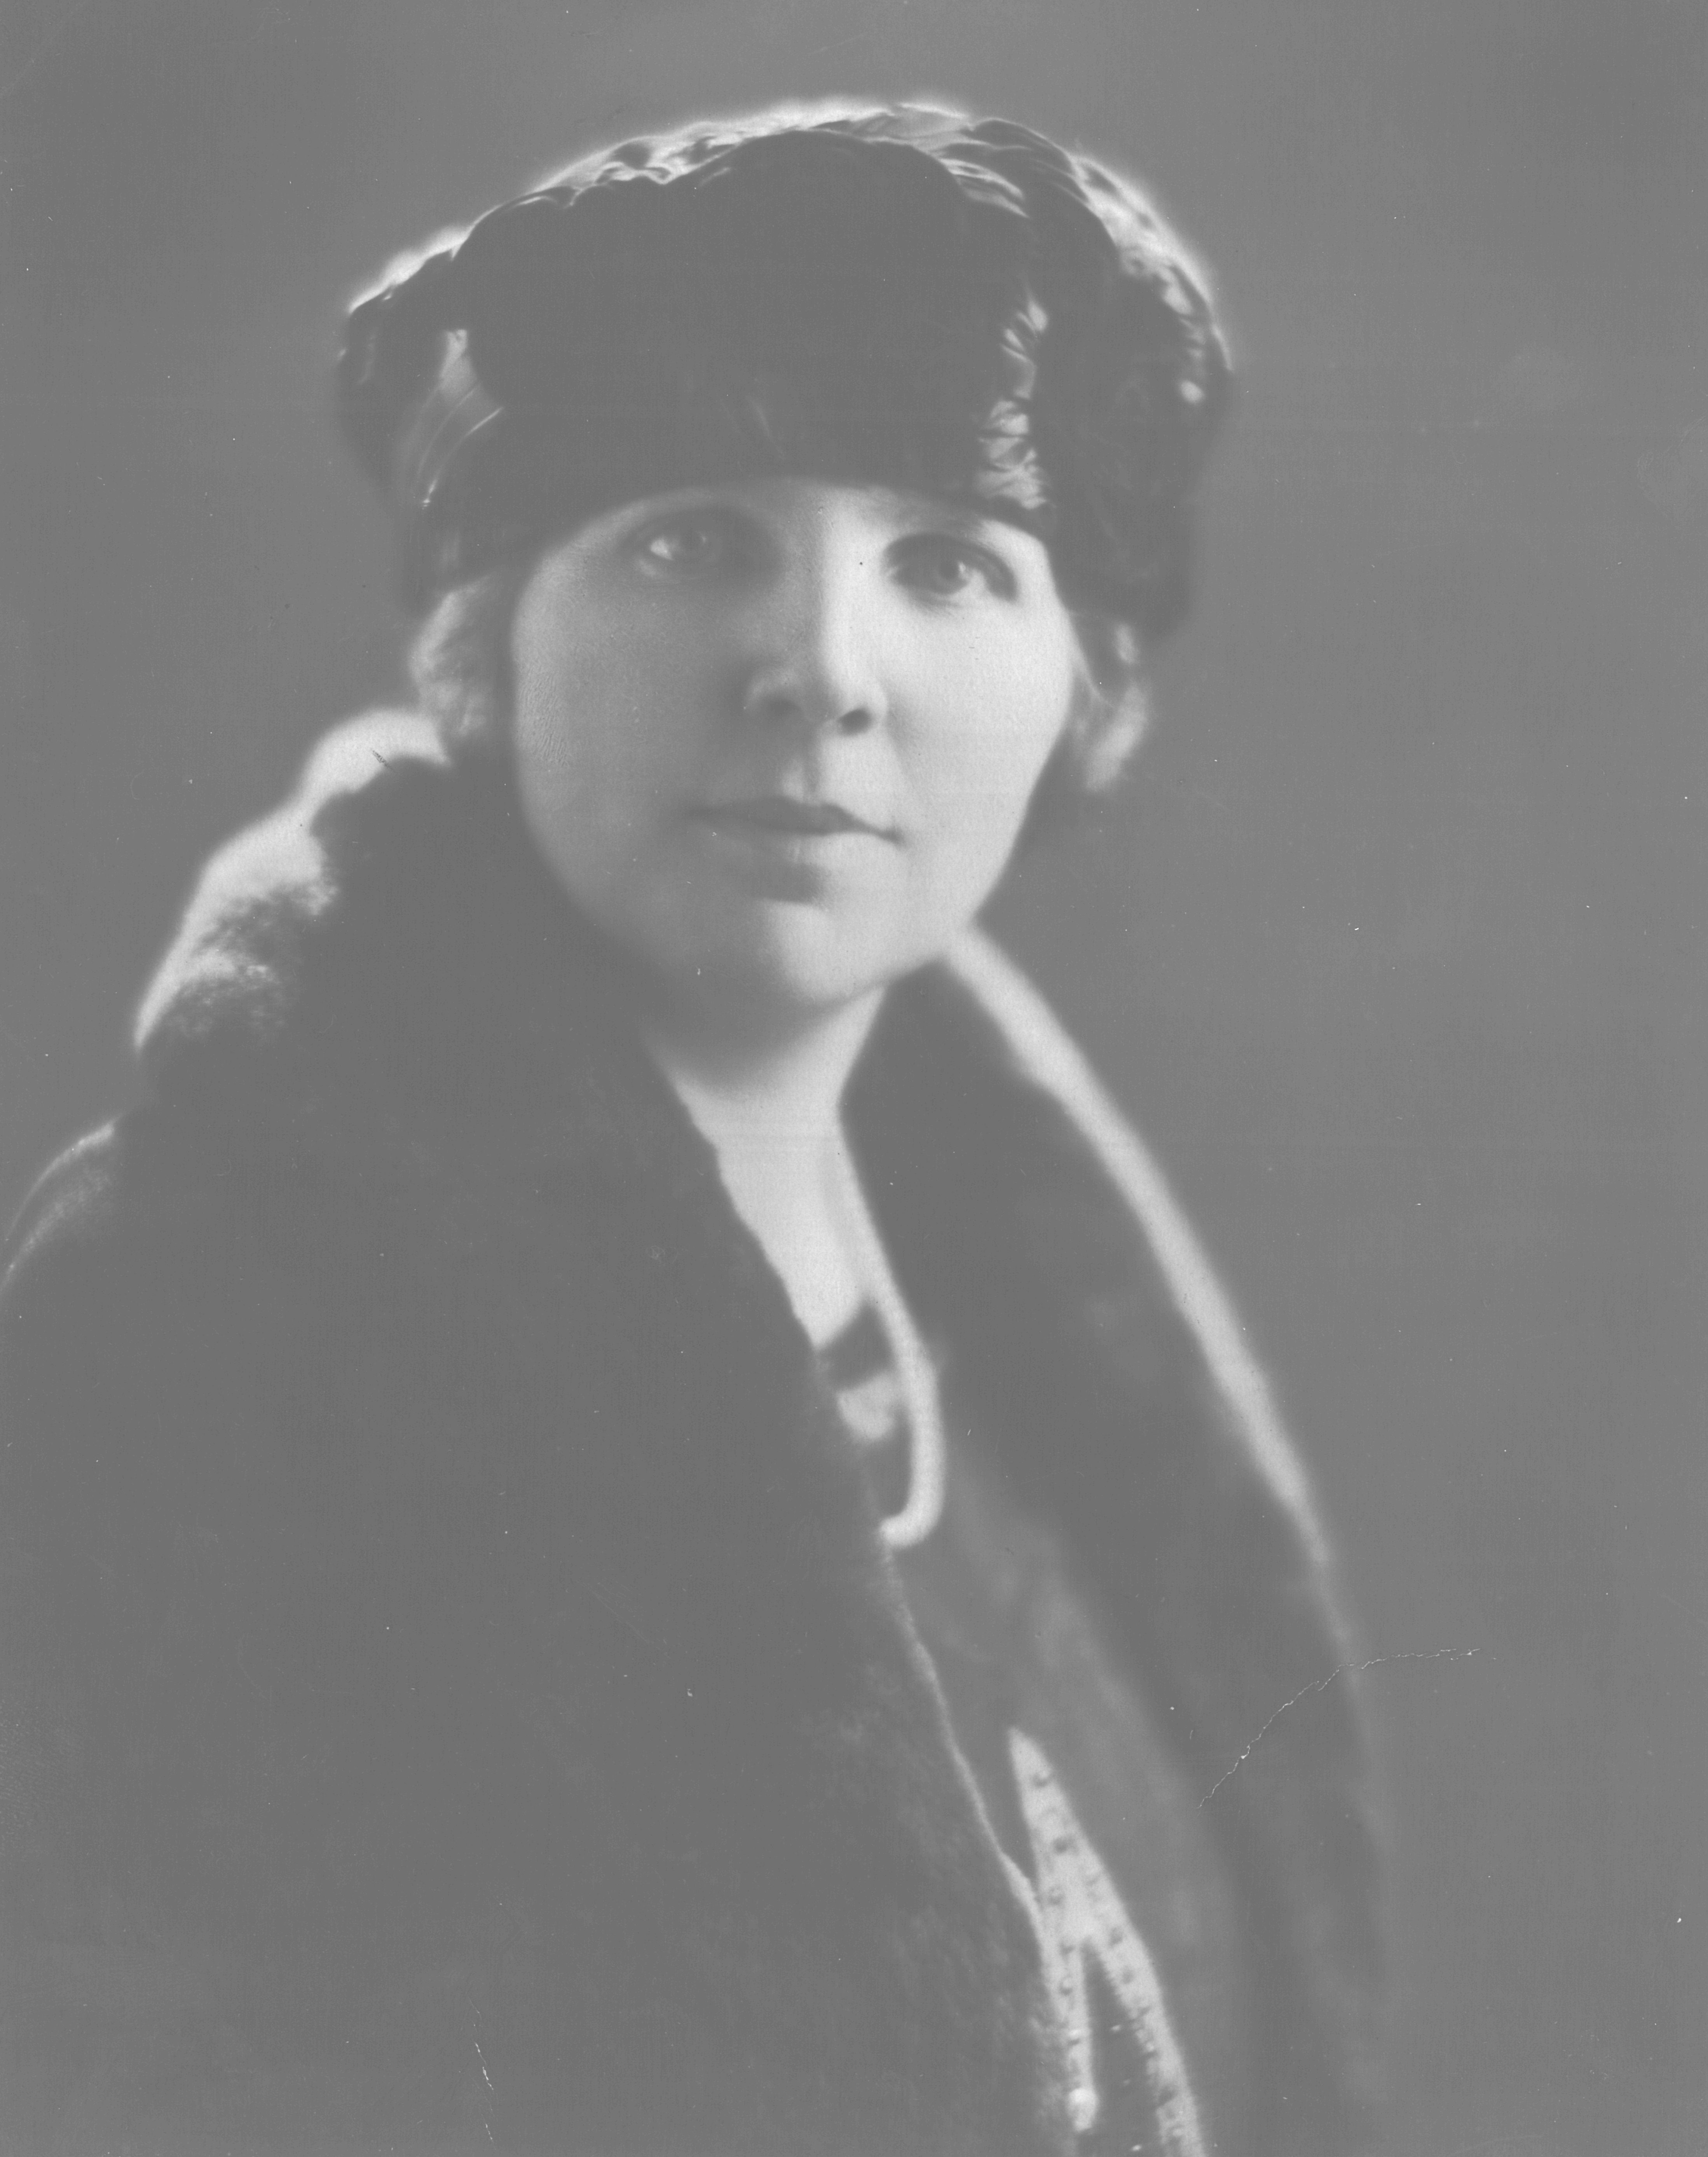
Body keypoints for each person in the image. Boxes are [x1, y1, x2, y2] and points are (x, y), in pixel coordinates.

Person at [0, 104, 1383, 2155]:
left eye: (946, 561)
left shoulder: (1022, 1332)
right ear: (490, 643)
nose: (820, 669)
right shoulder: (207, 1315)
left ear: (1077, 686)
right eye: (692, 541)